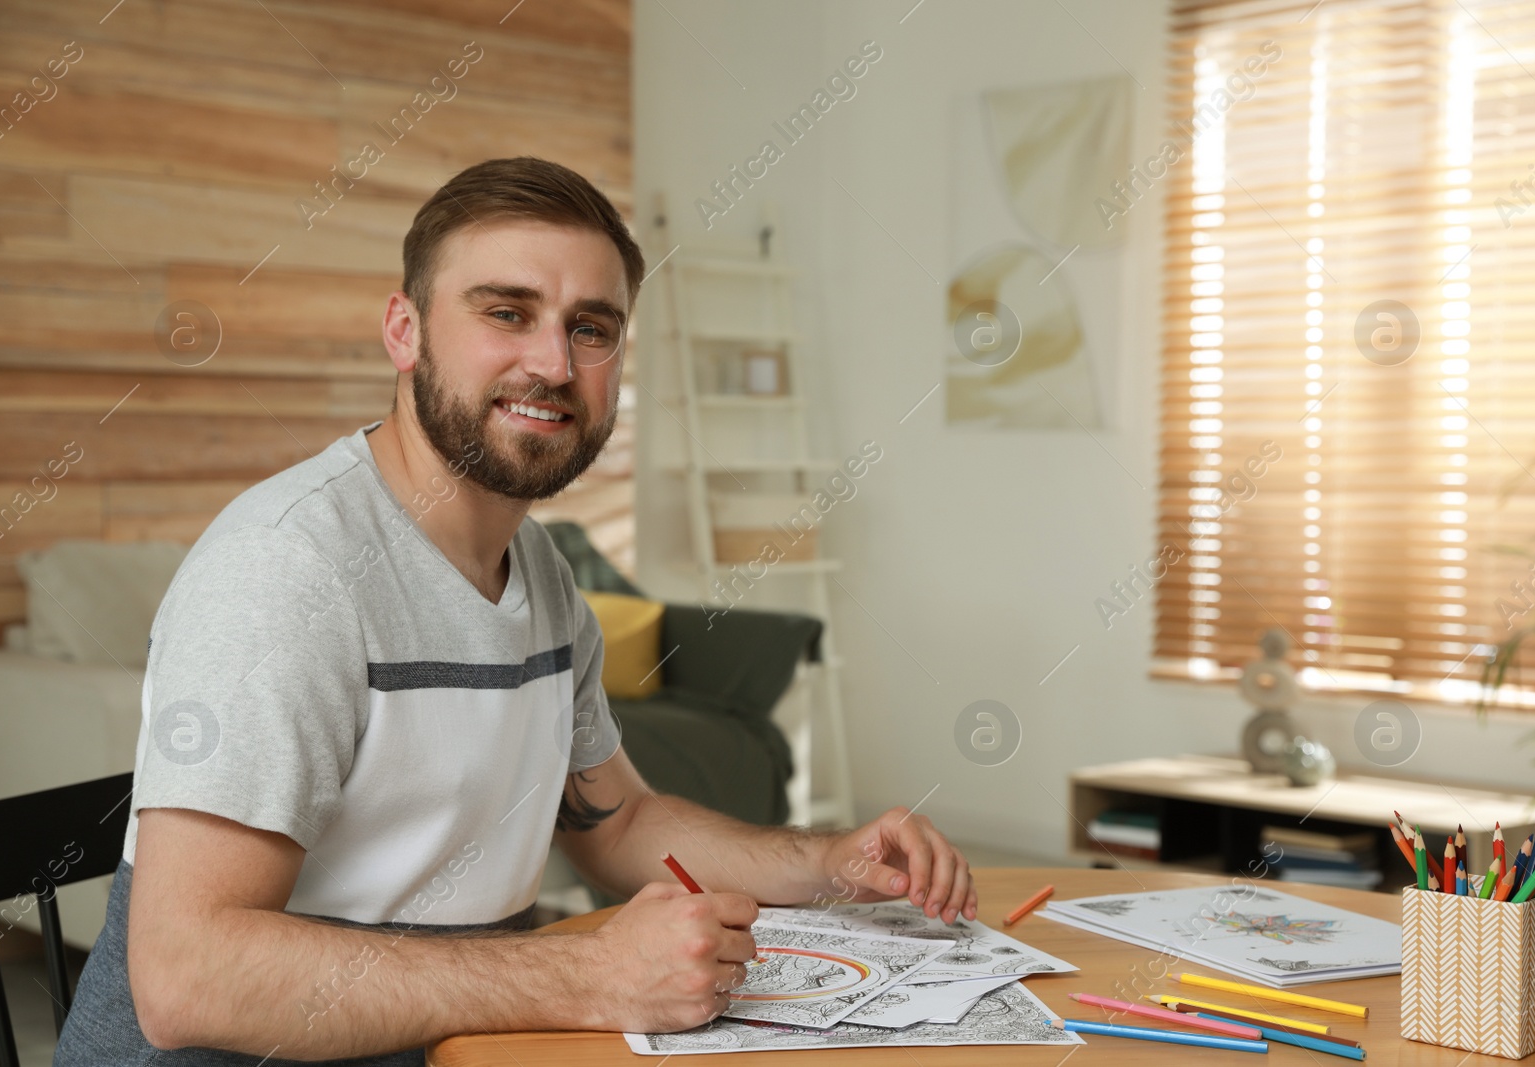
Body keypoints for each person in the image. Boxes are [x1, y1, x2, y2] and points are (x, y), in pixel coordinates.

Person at [55, 156, 976, 1066]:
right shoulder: (288, 571)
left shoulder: (537, 572)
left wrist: (829, 863)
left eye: (592, 327)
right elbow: (186, 977)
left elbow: (617, 826)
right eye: (507, 312)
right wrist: (576, 971)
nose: (553, 362)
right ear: (405, 330)